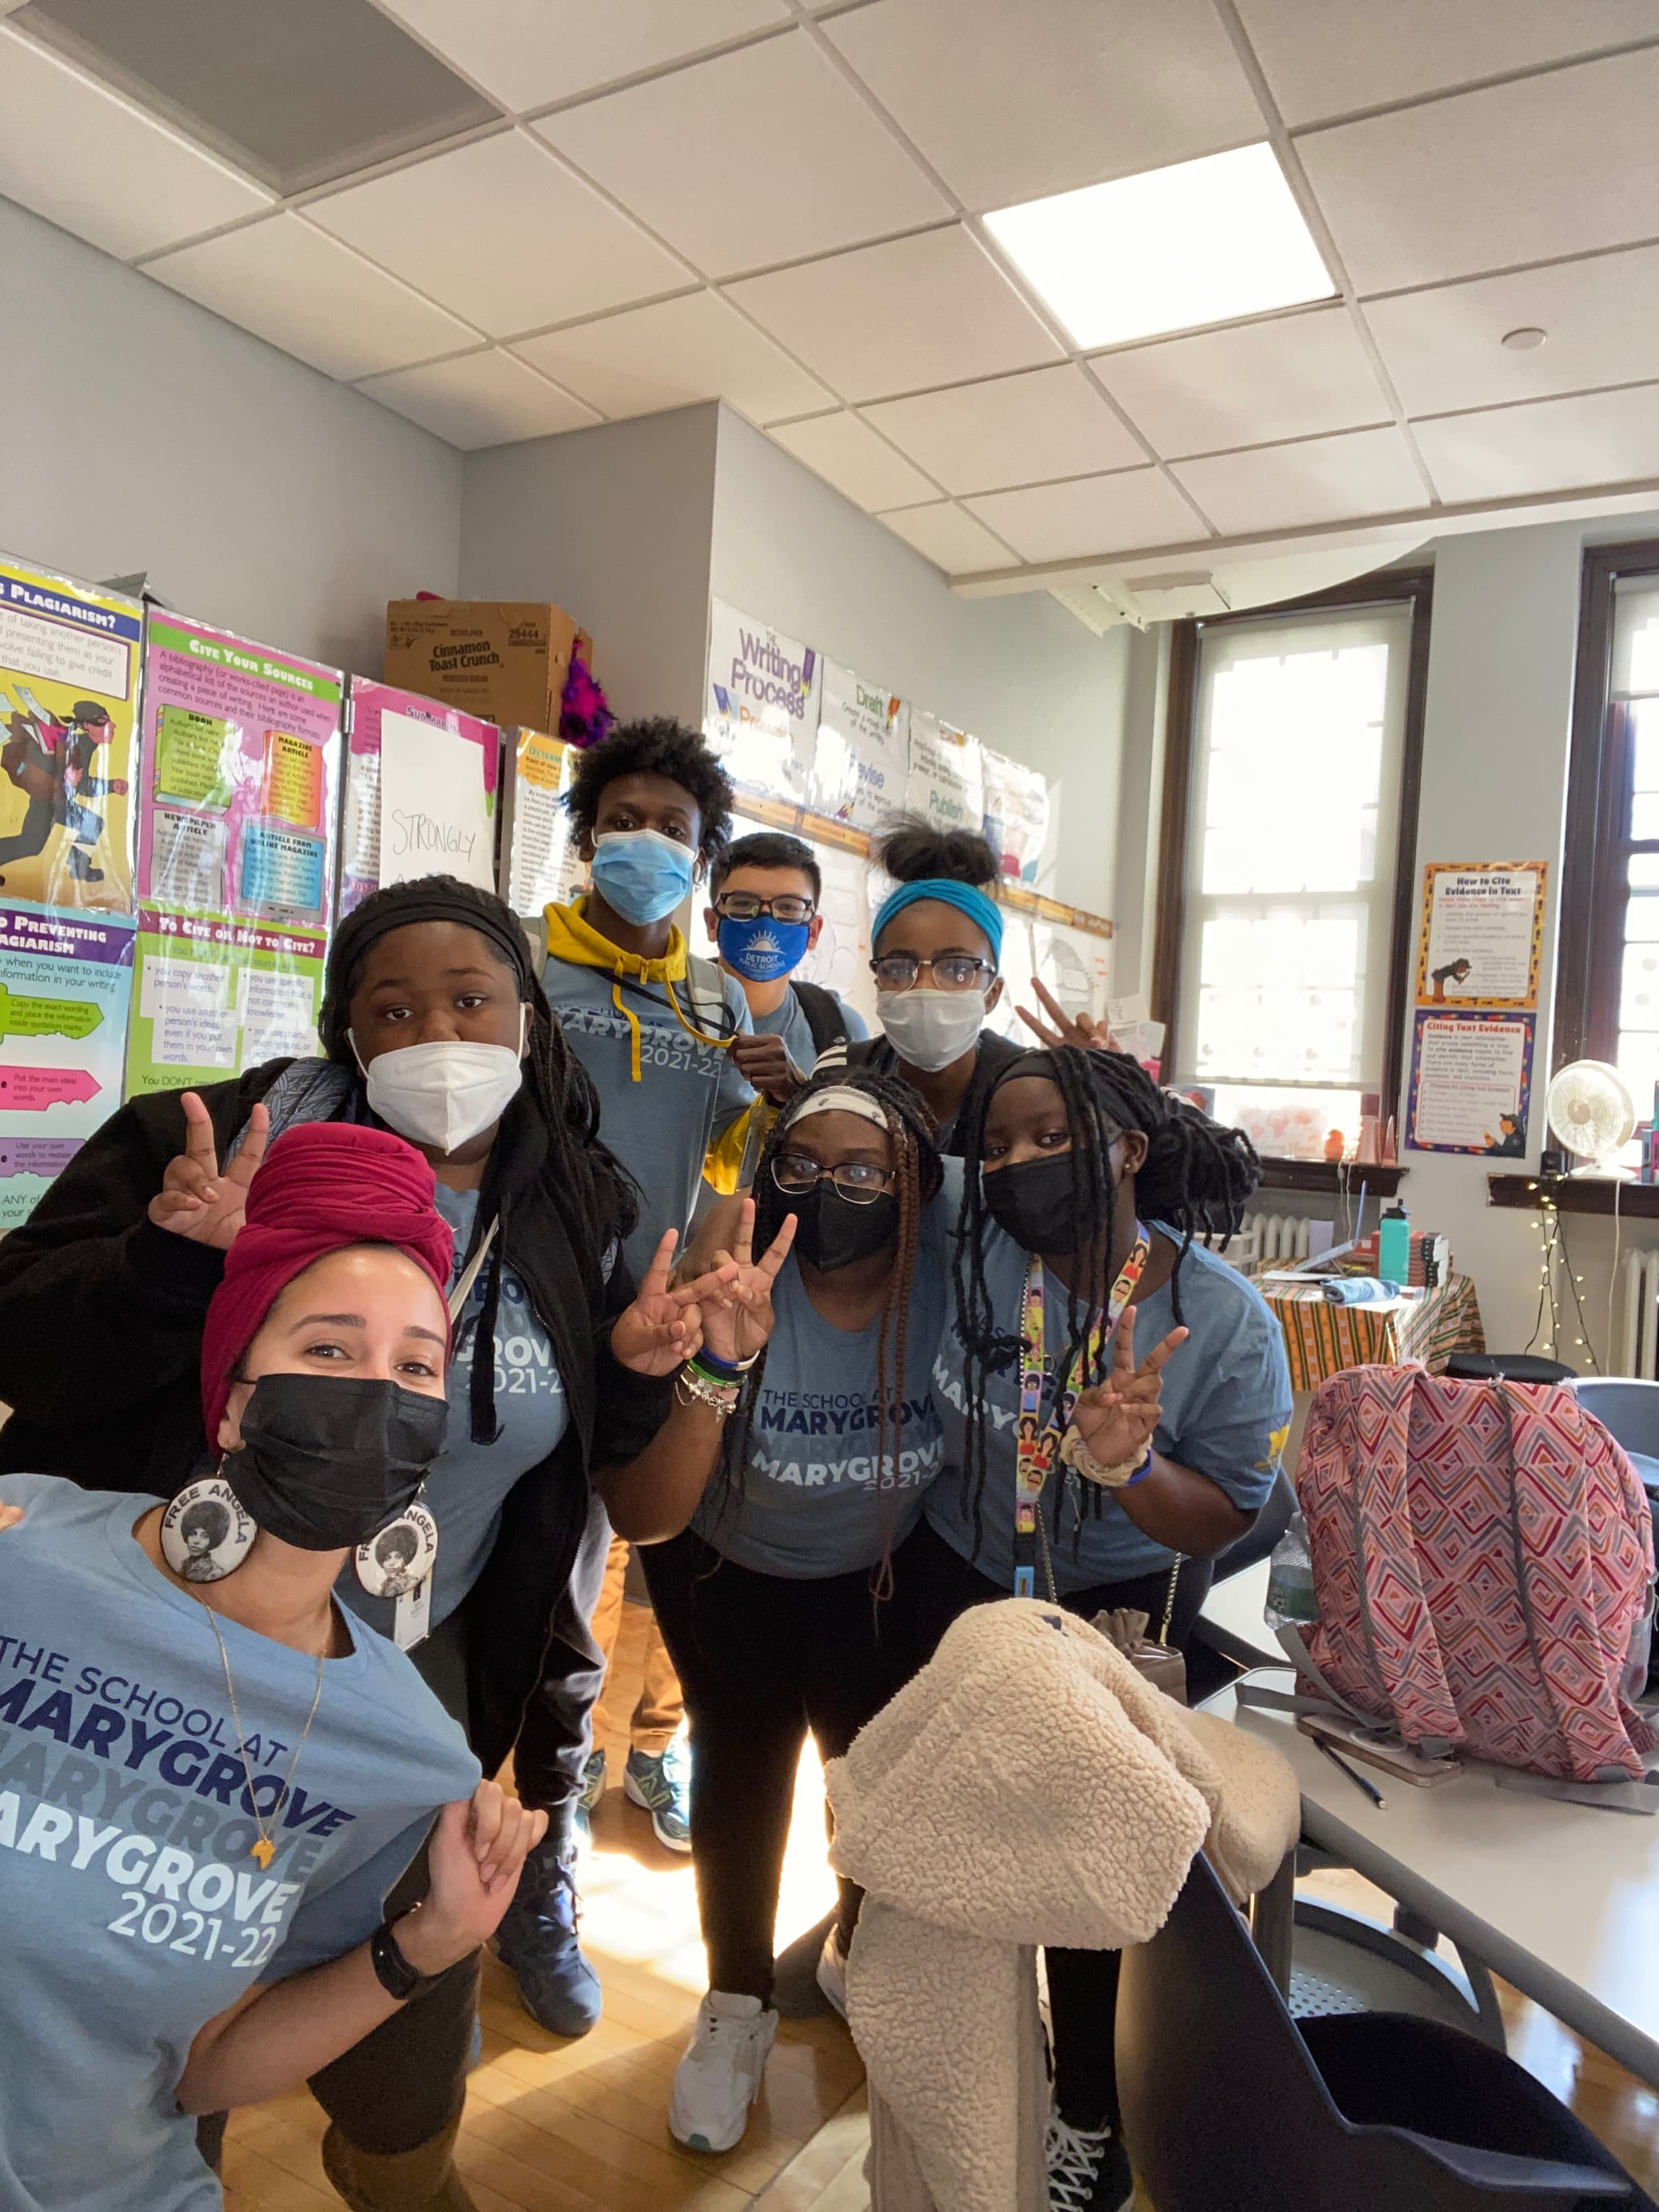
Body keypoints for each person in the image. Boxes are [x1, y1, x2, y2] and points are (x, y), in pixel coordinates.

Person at [0, 873, 771, 2202]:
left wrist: (662, 1376)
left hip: (419, 1684)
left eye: (469, 1000)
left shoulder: (575, 1204)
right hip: (170, 1653)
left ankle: (397, 2170)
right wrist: (172, 1270)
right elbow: (27, 1335)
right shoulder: (220, 1142)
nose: (434, 1033)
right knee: (146, 1981)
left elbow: (629, 1499)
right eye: (392, 1008)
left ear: (526, 1019)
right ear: (345, 1031)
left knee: (404, 2048)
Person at [0, 1120, 547, 2212]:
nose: (375, 1394)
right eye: (329, 1351)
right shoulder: (23, 1548)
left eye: (414, 1366)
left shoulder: (408, 1754)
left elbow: (204, 2072)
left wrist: (431, 1942)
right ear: (237, 1398)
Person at [908, 1045, 1292, 2212]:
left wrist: (1124, 1465)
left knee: (1079, 1878)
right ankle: (958, 2065)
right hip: (957, 1577)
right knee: (955, 1841)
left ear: (1126, 1151)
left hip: (1103, 1617)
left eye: (1051, 1138)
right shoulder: (970, 1247)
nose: (1018, 1164)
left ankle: (1088, 2108)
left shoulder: (1218, 1321)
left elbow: (1221, 1511)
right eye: (999, 1144)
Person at [641, 1068, 948, 2155]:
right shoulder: (731, 1257)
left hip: (878, 1575)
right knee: (742, 1770)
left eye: (865, 1168)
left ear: (916, 1184)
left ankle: (852, 1944)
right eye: (803, 1164)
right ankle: (733, 2005)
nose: (833, 1189)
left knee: (869, 1780)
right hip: (729, 1567)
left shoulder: (951, 1267)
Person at [529, 721, 790, 1859]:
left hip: (649, 1328)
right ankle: (521, 1798)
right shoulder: (524, 971)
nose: (642, 842)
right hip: (528, 1309)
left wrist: (766, 1108)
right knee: (522, 1560)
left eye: (670, 830)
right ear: (586, 840)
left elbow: (724, 1171)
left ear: (701, 857)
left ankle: (598, 1788)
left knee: (622, 1556)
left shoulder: (719, 1006)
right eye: (620, 823)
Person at [818, 820, 1023, 1152]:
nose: (924, 987)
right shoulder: (841, 1075)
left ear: (993, 992)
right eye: (899, 968)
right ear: (878, 983)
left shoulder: (1029, 1088)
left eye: (957, 968)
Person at [703, 829, 869, 1078]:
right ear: (712, 923)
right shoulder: (664, 1011)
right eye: (743, 903)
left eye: (789, 907)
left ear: (813, 932)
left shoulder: (842, 1030)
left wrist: (797, 1092)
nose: (766, 921)